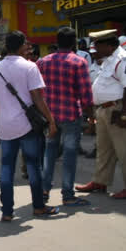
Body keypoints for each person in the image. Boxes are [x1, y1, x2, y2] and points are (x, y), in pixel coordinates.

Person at [0, 31, 59, 221]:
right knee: (33, 166)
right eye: (26, 44)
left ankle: (7, 211)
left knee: (6, 168)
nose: (28, 47)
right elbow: (37, 97)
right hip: (28, 126)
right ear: (20, 46)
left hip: (5, 126)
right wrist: (51, 121)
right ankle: (38, 207)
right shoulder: (29, 67)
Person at [37, 27, 94, 206]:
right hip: (70, 115)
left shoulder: (43, 62)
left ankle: (44, 190)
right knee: (69, 155)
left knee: (49, 153)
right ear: (74, 43)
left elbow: (37, 90)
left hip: (50, 115)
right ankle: (67, 195)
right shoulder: (79, 62)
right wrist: (91, 116)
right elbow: (85, 94)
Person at [76, 29, 126, 199]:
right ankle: (100, 181)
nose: (95, 50)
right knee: (104, 150)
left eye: (98, 46)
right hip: (104, 110)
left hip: (117, 110)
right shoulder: (107, 60)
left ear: (109, 45)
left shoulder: (123, 60)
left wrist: (125, 115)